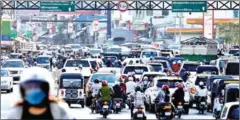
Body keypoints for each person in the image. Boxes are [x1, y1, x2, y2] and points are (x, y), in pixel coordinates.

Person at [7, 67, 74, 119]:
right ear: (22, 90)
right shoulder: (15, 114)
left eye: (38, 87)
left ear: (47, 89)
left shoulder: (60, 111)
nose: (34, 90)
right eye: (29, 87)